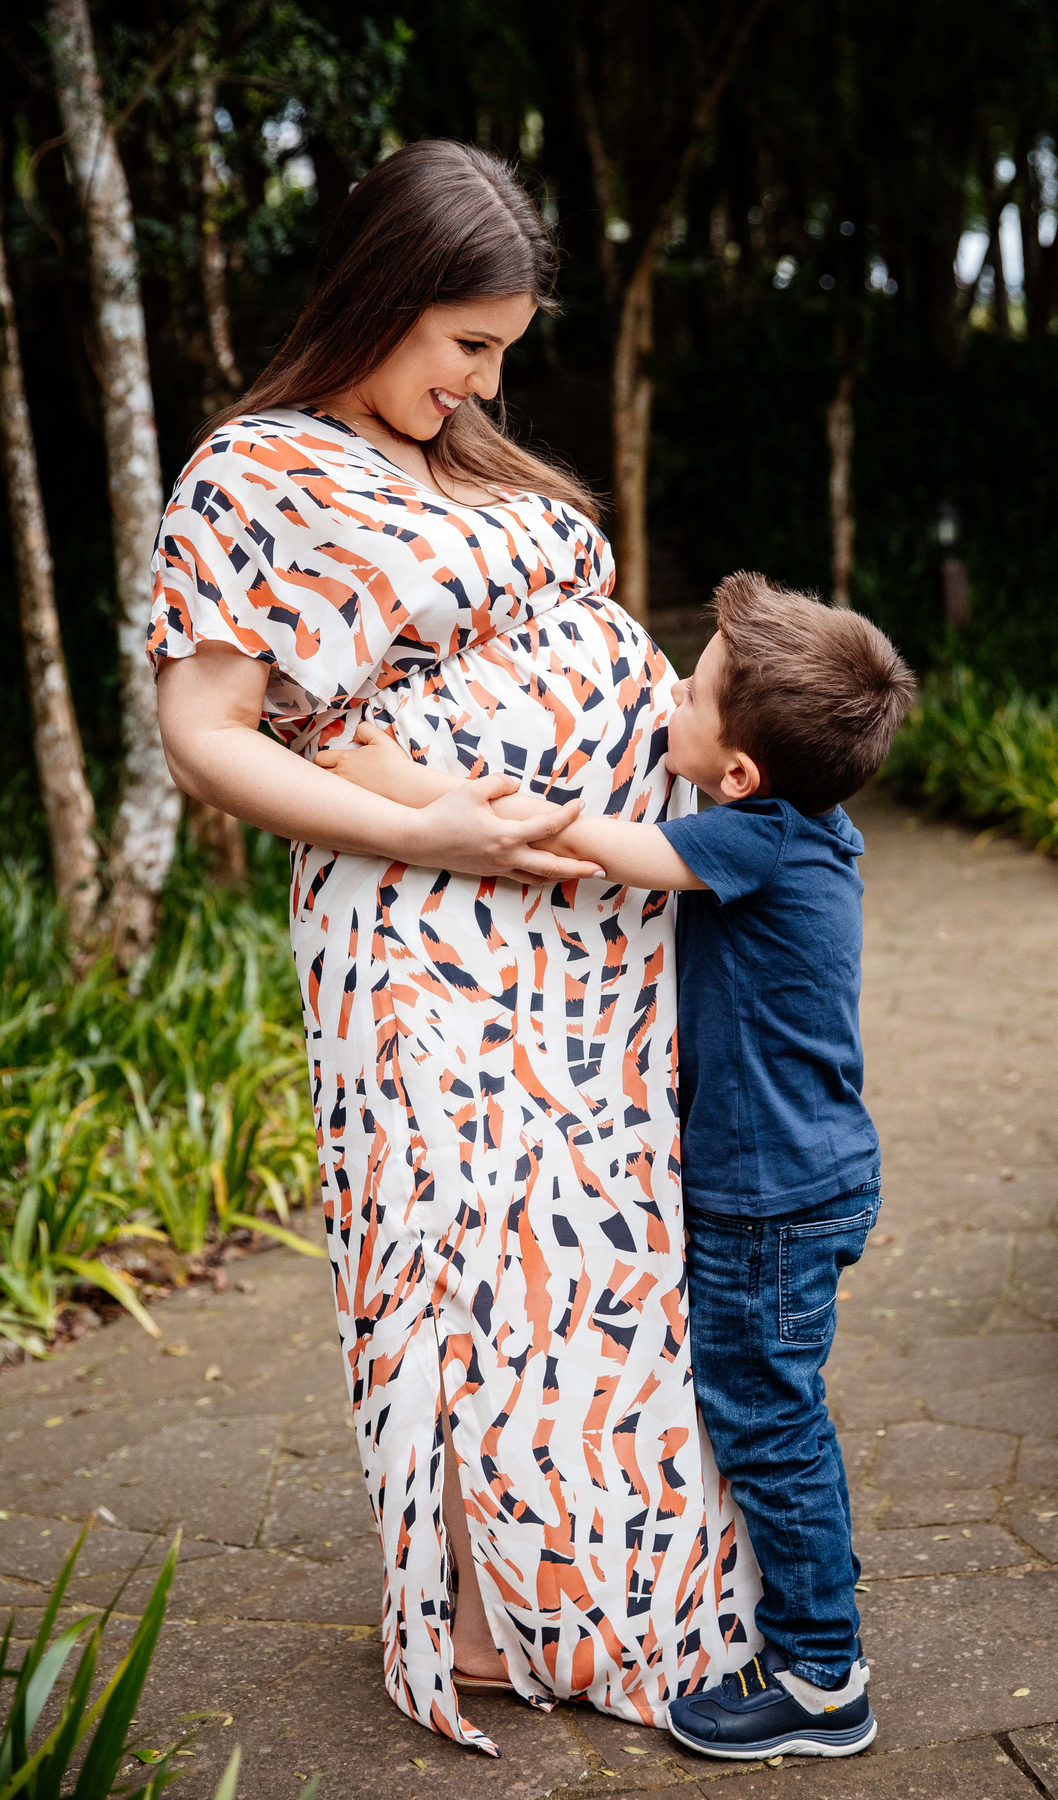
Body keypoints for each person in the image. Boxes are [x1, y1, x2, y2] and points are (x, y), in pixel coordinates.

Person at [149, 139, 760, 1757]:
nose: (487, 377)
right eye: (465, 344)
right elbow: (205, 736)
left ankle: (583, 1580)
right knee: (468, 1260)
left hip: (588, 947)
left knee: (597, 1262)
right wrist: (430, 829)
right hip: (427, 924)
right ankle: (483, 1616)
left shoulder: (462, 453)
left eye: (502, 348)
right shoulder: (254, 474)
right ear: (377, 297)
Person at [319, 570, 915, 1761]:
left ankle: (821, 1680)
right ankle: (805, 1624)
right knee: (773, 1413)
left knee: (768, 1421)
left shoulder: (752, 842)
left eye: (689, 690)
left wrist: (399, 786)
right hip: (802, 1179)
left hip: (770, 1200)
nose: (666, 695)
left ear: (737, 774)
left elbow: (591, 844)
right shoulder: (800, 824)